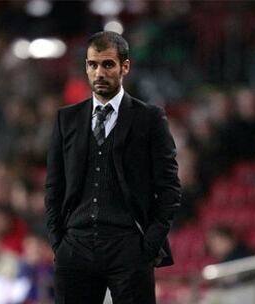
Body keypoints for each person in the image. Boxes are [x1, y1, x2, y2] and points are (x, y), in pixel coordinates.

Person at [45, 31, 181, 304]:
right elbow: (54, 185)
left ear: (125, 67)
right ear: (85, 67)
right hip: (75, 247)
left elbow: (169, 188)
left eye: (107, 64)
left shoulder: (150, 118)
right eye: (92, 65)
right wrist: (58, 241)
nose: (99, 72)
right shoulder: (66, 119)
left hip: (128, 246)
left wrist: (148, 245)